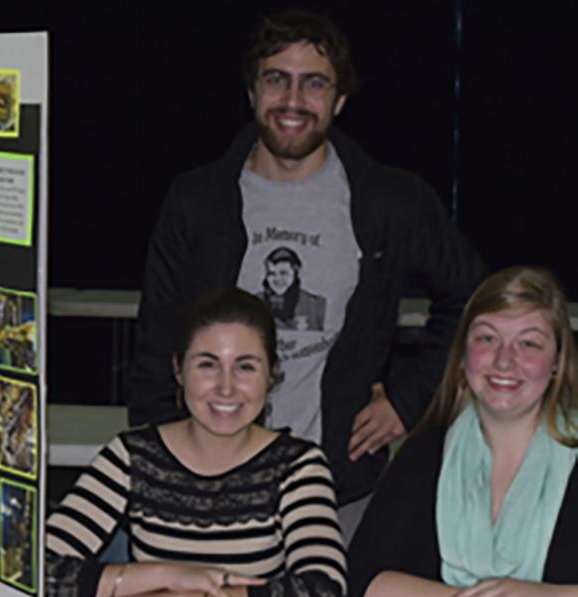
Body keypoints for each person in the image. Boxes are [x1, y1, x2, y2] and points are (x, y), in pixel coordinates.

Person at [129, 10, 486, 512]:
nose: (293, 101)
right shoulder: (196, 201)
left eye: (313, 84)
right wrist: (160, 474)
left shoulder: (390, 202)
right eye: (276, 79)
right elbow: (155, 347)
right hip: (212, 486)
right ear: (252, 93)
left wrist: (409, 401)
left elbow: (475, 301)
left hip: (336, 488)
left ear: (339, 101)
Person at [47, 288, 346, 597]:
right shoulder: (133, 455)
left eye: (245, 367)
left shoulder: (299, 465)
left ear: (272, 374)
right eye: (208, 364)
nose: (226, 388)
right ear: (179, 370)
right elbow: (31, 570)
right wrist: (168, 575)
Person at [344, 266, 578, 597]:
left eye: (529, 344)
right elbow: (362, 587)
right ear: (462, 354)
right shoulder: (427, 451)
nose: (504, 361)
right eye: (487, 338)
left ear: (556, 362)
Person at [260, 246, 326, 330]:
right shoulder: (254, 302)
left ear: (296, 273)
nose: (277, 279)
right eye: (271, 274)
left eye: (283, 273)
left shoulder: (316, 305)